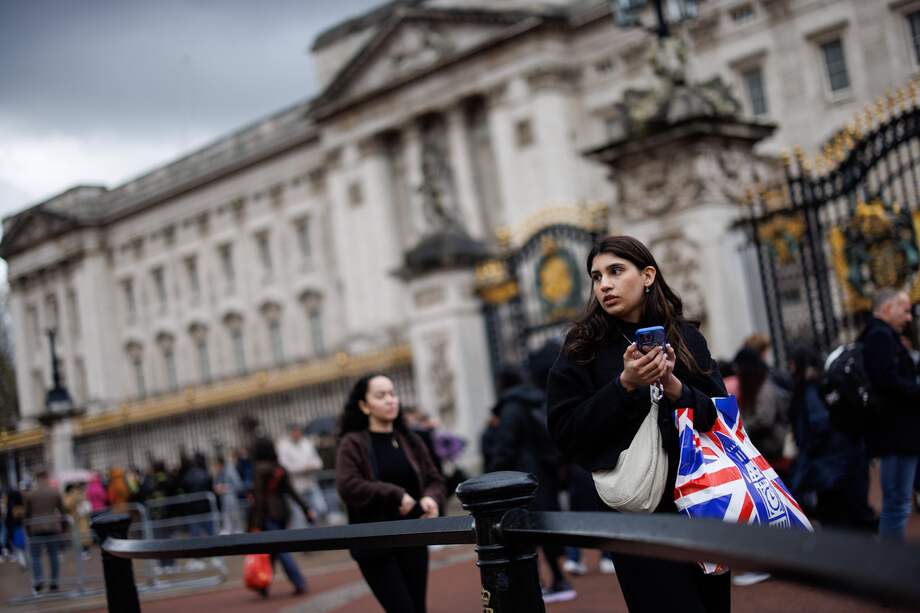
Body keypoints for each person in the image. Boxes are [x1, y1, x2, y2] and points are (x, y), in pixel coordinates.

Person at [546, 235, 730, 613]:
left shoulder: (687, 337)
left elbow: (721, 416)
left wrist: (675, 387)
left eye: (615, 271)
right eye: (596, 277)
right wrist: (625, 386)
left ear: (647, 275)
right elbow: (567, 433)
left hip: (703, 503)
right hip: (637, 518)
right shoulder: (582, 349)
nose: (605, 285)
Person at [336, 373, 446, 613]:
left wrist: (430, 497)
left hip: (412, 538)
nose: (390, 400)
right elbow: (348, 485)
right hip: (375, 543)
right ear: (364, 406)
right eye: (380, 395)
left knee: (418, 609)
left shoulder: (410, 440)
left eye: (392, 394)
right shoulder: (353, 443)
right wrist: (396, 494)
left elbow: (435, 479)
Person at [487, 351, 576, 603]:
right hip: (543, 474)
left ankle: (539, 583)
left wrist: (494, 471)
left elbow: (506, 444)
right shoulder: (536, 399)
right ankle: (557, 578)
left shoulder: (511, 407)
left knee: (524, 532)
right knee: (543, 527)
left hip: (519, 478)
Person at [785, 343, 875, 530]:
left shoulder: (808, 389)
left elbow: (819, 425)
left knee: (838, 519)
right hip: (843, 459)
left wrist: (808, 451)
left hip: (831, 464)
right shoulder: (822, 383)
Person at [860, 288, 920, 541]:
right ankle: (888, 565)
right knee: (897, 502)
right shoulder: (879, 336)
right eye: (905, 311)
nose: (908, 318)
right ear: (887, 309)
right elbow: (887, 380)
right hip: (896, 435)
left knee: (899, 500)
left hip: (898, 434)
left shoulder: (881, 335)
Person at [249, 437, 312, 597]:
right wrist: (306, 508)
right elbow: (291, 491)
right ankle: (263, 585)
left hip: (267, 514)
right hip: (283, 511)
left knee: (278, 549)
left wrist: (255, 522)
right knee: (272, 549)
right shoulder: (279, 468)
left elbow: (259, 498)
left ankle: (298, 581)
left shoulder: (258, 469)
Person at [24, 467, 66, 594]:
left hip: (35, 527)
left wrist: (28, 528)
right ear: (47, 477)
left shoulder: (31, 493)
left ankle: (39, 580)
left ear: (37, 478)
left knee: (35, 556)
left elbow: (27, 513)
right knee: (53, 555)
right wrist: (64, 528)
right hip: (52, 527)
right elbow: (62, 510)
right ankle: (54, 582)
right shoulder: (54, 492)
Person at [277, 424, 325, 527]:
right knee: (299, 518)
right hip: (295, 488)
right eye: (294, 432)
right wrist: (303, 468)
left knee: (320, 509)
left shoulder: (306, 443)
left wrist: (311, 466)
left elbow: (318, 462)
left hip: (310, 483)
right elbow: (284, 466)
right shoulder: (283, 446)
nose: (297, 434)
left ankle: (315, 533)